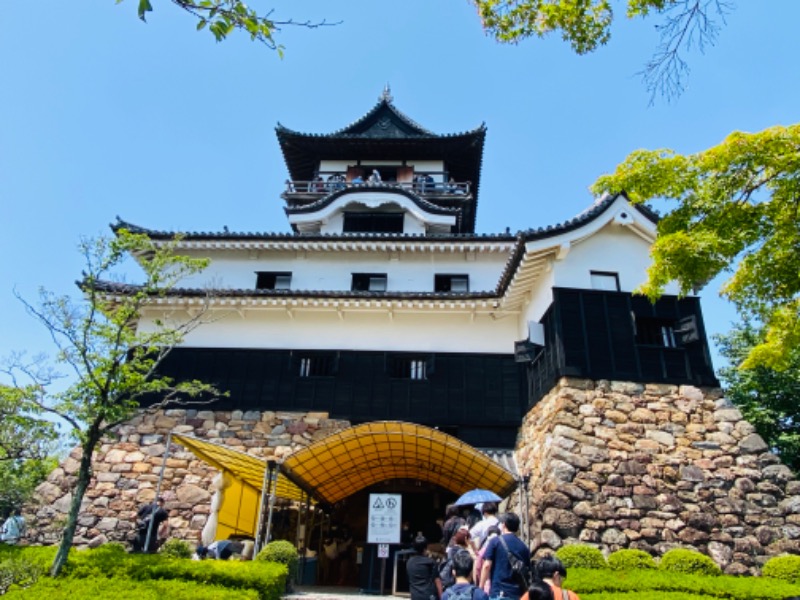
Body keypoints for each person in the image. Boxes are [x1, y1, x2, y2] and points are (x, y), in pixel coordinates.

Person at [479, 512, 531, 600]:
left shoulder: (495, 542)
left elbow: (487, 565)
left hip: (499, 592)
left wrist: (480, 587)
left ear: (504, 525)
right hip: (517, 594)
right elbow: (527, 570)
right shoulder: (523, 547)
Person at [407, 534, 442, 600]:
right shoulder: (431, 562)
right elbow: (437, 581)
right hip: (429, 596)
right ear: (425, 548)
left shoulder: (409, 562)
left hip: (415, 596)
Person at [473, 525, 500, 593]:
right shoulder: (502, 550)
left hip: (486, 586)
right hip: (499, 585)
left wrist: (480, 585)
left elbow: (477, 569)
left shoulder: (482, 552)